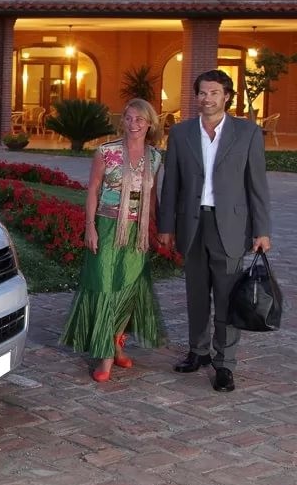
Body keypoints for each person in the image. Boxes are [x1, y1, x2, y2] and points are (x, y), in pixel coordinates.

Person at [157, 70, 271, 393]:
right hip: (192, 224)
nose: (207, 99)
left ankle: (225, 364)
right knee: (195, 294)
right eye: (202, 93)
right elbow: (171, 184)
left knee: (226, 297)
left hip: (230, 227)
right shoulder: (180, 133)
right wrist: (166, 226)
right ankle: (198, 351)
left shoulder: (247, 133)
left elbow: (257, 185)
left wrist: (262, 230)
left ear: (227, 97)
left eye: (214, 93)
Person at [61, 98, 167, 382]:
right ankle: (105, 354)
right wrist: (90, 228)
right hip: (107, 227)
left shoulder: (155, 158)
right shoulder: (106, 152)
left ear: (150, 124)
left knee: (128, 289)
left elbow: (152, 197)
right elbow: (93, 190)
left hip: (136, 231)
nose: (133, 124)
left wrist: (158, 229)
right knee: (105, 286)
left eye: (139, 119)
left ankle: (117, 344)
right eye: (128, 118)